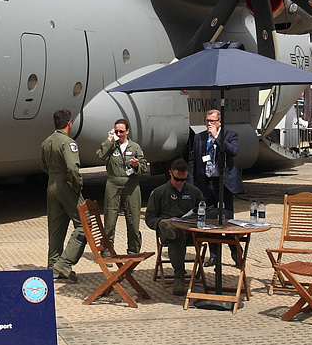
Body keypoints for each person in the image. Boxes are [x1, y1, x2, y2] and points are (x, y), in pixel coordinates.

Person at [145, 158, 205, 295]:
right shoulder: (159, 192)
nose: (180, 183)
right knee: (175, 234)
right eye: (177, 179)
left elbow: (203, 211)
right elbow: (149, 218)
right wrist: (161, 223)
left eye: (183, 180)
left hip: (191, 230)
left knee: (214, 216)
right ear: (170, 173)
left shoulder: (194, 192)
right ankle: (179, 277)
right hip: (170, 233)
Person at [40, 109, 85, 281]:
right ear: (69, 123)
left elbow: (44, 165)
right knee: (84, 225)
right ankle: (64, 263)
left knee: (56, 227)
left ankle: (53, 266)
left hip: (51, 184)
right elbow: (73, 167)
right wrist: (76, 184)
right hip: (66, 185)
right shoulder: (68, 142)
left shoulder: (47, 142)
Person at [98, 118, 150, 253]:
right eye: (116, 131)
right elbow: (100, 155)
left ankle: (133, 251)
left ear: (127, 131)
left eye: (121, 131)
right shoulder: (111, 146)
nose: (119, 134)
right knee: (109, 221)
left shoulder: (135, 147)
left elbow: (144, 167)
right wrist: (109, 139)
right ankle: (107, 252)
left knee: (133, 220)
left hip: (131, 185)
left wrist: (136, 165)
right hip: (113, 184)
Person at [188, 109, 241, 219]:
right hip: (205, 182)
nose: (209, 124)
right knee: (206, 214)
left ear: (219, 122)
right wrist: (191, 184)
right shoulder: (199, 137)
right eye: (207, 121)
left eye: (212, 121)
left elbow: (233, 151)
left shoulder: (230, 135)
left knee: (226, 216)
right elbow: (193, 162)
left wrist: (217, 137)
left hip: (222, 182)